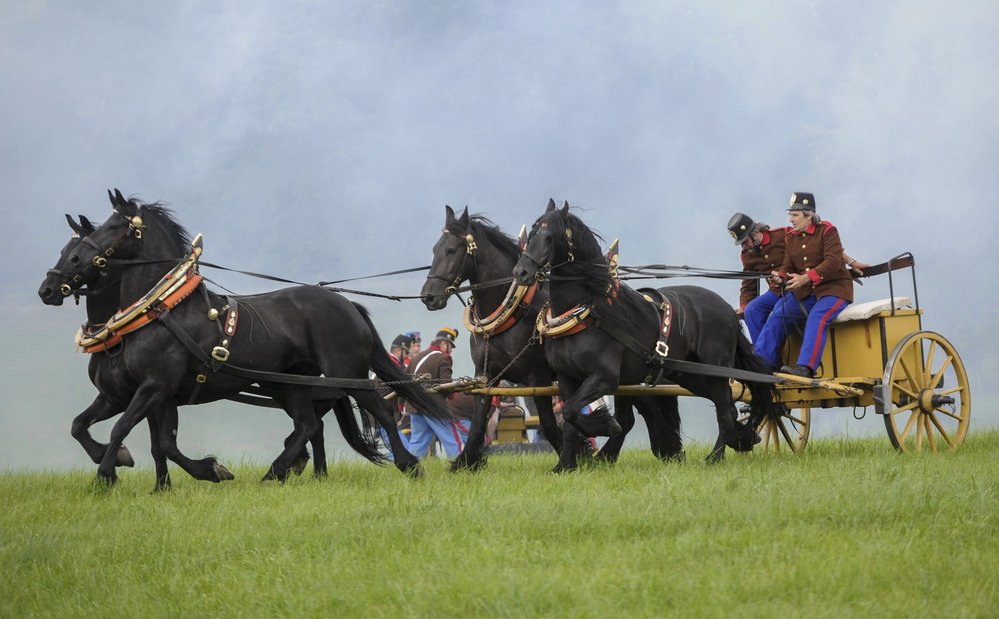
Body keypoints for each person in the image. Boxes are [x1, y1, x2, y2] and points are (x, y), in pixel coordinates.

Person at [752, 192, 854, 378]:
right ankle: (762, 364)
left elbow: (833, 261)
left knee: (817, 317)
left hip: (835, 289)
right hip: (807, 293)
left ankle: (806, 368)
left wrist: (806, 278)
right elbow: (787, 266)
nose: (791, 219)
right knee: (777, 316)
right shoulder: (791, 237)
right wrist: (780, 276)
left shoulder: (827, 230)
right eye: (790, 214)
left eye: (795, 215)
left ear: (809, 215)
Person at [728, 211, 869, 344]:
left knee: (780, 311)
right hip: (776, 290)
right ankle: (763, 360)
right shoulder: (747, 254)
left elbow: (825, 247)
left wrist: (851, 262)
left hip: (800, 287)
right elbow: (748, 284)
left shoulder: (783, 234)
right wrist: (744, 307)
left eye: (745, 241)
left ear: (755, 233)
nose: (744, 246)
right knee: (752, 310)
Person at [404, 327, 466, 458]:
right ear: (443, 344)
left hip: (414, 406)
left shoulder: (415, 358)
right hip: (434, 407)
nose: (451, 350)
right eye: (450, 346)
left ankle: (410, 469)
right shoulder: (443, 358)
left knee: (417, 442)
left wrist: (401, 405)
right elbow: (446, 385)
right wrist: (453, 393)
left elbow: (403, 383)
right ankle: (462, 466)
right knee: (453, 438)